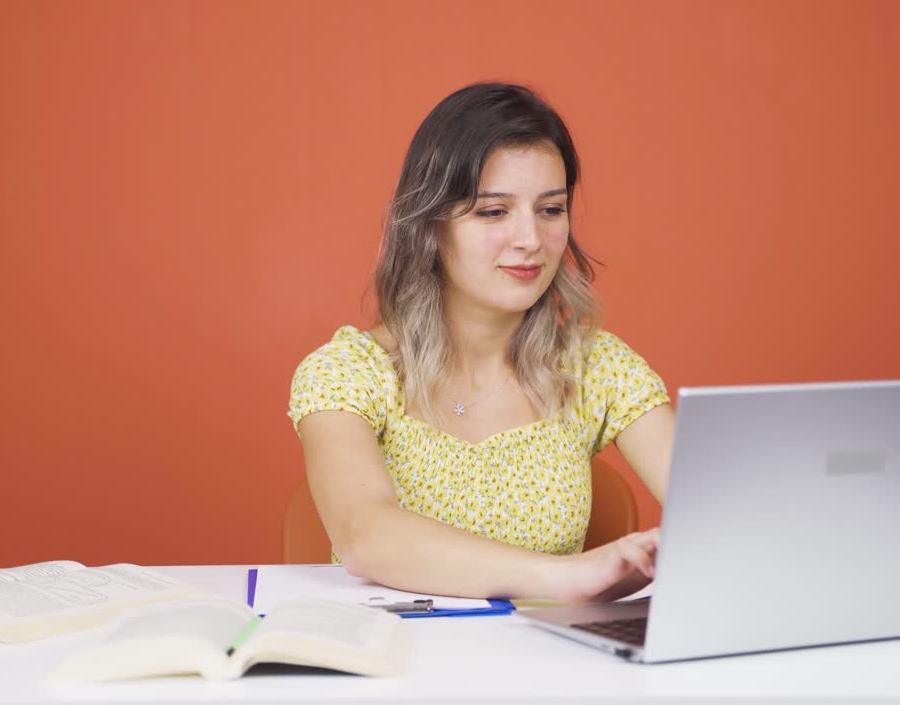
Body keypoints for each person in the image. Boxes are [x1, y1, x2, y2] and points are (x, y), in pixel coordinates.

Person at [287, 82, 675, 603]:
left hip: (541, 668)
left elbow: (725, 514)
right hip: (393, 665)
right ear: (429, 225)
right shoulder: (348, 371)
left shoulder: (596, 366)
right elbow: (365, 537)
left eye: (550, 209)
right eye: (493, 212)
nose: (530, 240)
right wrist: (570, 576)